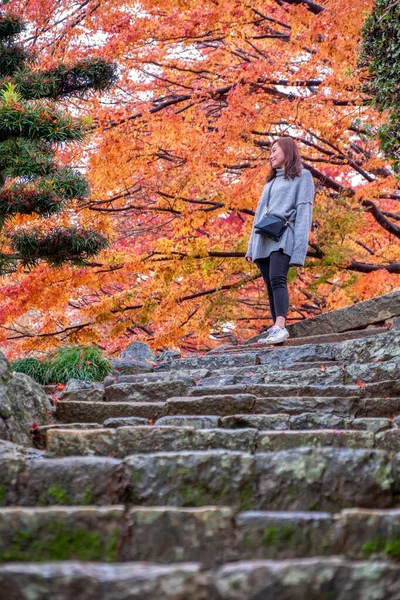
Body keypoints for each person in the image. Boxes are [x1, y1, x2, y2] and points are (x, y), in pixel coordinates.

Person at [245, 136, 315, 344]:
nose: (271, 155)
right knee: (269, 285)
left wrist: (299, 250)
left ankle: (281, 325)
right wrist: (250, 247)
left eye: (275, 150)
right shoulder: (270, 183)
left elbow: (304, 212)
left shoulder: (304, 177)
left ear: (287, 150)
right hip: (262, 239)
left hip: (284, 235)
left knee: (277, 278)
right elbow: (258, 215)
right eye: (270, 152)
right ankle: (276, 326)